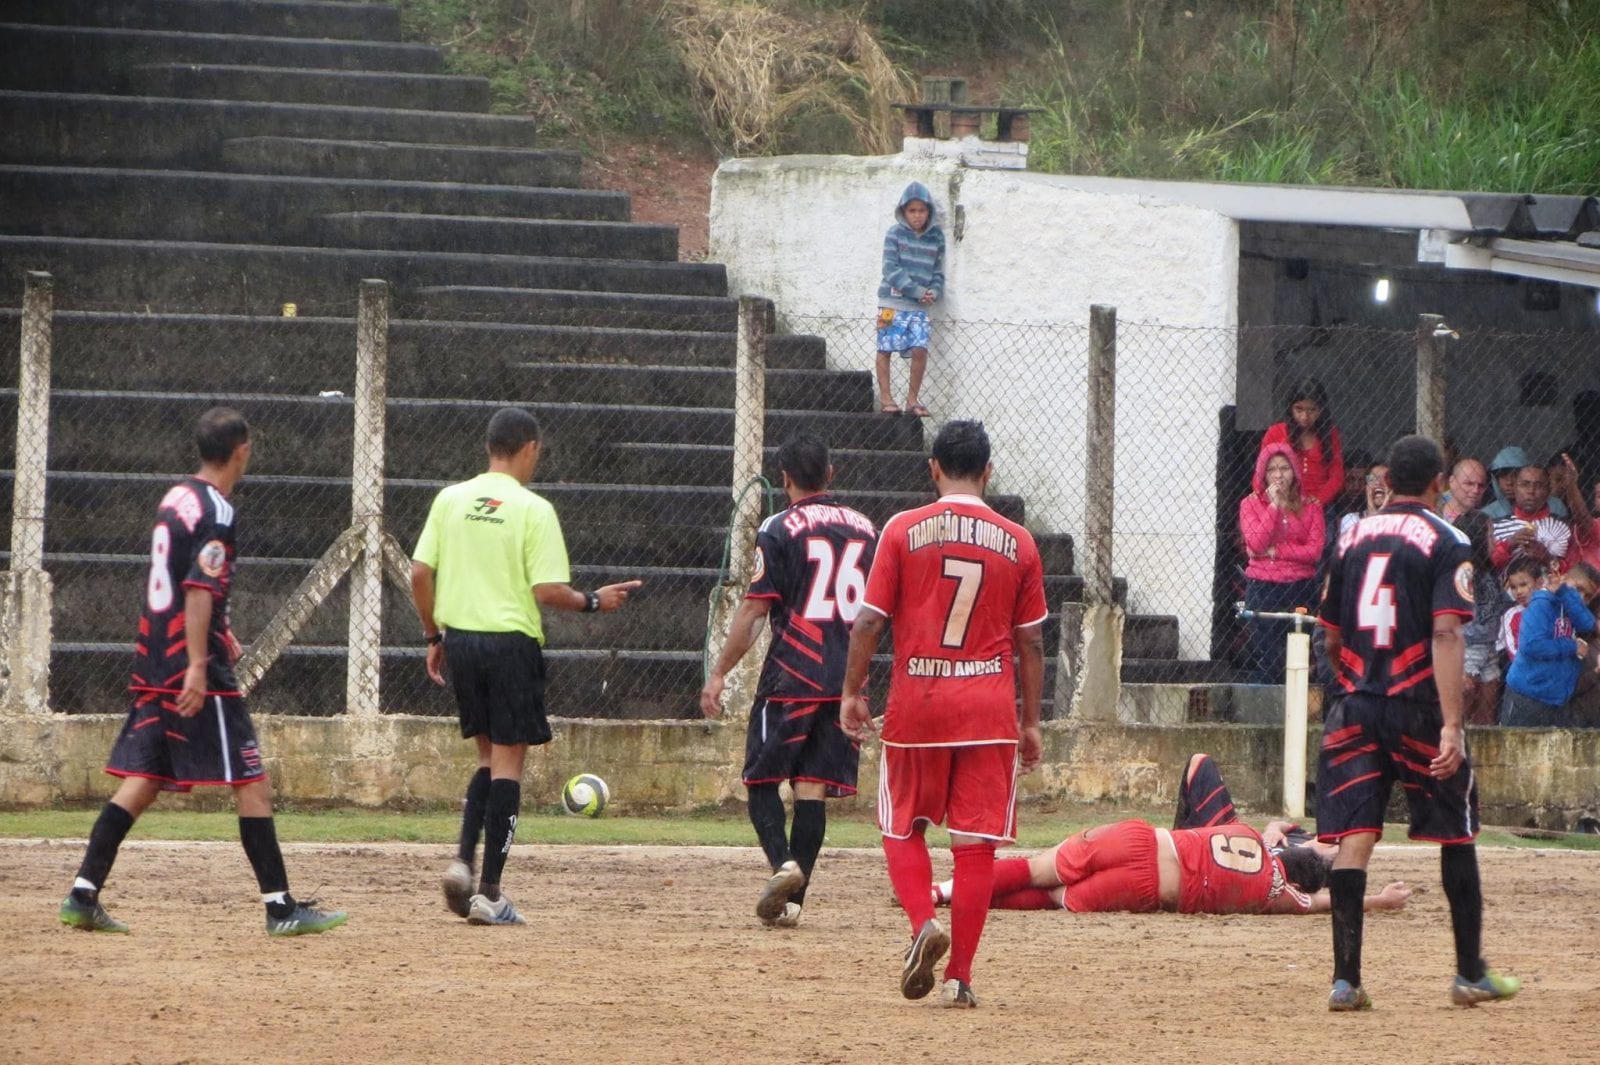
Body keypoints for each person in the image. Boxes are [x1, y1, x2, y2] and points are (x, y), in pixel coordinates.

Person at [58, 407, 347, 937]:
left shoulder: (177, 497)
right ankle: (281, 908)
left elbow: (179, 577)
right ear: (243, 450)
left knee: (144, 780)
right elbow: (196, 586)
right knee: (251, 779)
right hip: (196, 669)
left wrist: (220, 627)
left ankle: (82, 894)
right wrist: (197, 662)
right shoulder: (217, 510)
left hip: (153, 657)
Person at [841, 419, 1047, 1010]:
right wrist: (1031, 722)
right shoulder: (1020, 542)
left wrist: (852, 691)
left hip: (920, 703)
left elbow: (869, 621)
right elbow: (1032, 641)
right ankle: (960, 977)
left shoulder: (902, 529)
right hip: (989, 709)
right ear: (988, 471)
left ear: (933, 468)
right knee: (975, 844)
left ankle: (922, 924)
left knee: (901, 825)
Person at [412, 407, 641, 926]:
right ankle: (490, 894)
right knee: (508, 767)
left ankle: (461, 861)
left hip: (461, 640)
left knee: (486, 758)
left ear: (489, 446)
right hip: (511, 643)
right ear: (531, 448)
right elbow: (547, 591)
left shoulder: (450, 499)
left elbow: (420, 572)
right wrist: (594, 601)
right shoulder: (533, 509)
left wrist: (433, 634)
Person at [1317, 434, 1519, 1011]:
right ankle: (1469, 974)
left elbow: (1330, 635)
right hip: (1419, 706)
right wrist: (1452, 724)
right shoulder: (1448, 539)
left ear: (1387, 481)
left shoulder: (1351, 535)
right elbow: (1447, 633)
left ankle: (1346, 982)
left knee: (1354, 838)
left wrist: (1355, 681)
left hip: (1356, 704)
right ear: (1439, 483)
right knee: (1456, 830)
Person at [700, 434, 878, 928]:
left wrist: (719, 672)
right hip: (846, 680)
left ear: (784, 478)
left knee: (761, 779)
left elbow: (755, 611)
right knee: (812, 789)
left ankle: (783, 866)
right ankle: (794, 903)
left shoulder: (778, 528)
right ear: (831, 473)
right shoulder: (868, 529)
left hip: (793, 674)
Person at [935, 752, 1411, 916]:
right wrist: (1381, 900)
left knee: (1035, 869)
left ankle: (940, 892)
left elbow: (1271, 839)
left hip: (1143, 839)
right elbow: (1327, 903)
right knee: (1049, 897)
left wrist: (1281, 831)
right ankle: (962, 902)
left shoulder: (1250, 835)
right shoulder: (1277, 893)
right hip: (1149, 887)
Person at [1239, 442, 1326, 682]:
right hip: (1263, 586)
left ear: (1294, 472)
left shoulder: (1311, 506)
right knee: (1269, 657)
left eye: (1285, 468)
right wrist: (1274, 506)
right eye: (1272, 469)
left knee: (1298, 655)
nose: (1278, 475)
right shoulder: (1250, 504)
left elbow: (1314, 551)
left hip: (1300, 586)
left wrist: (1276, 551)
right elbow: (1257, 544)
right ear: (1263, 474)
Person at [874, 181, 945, 417]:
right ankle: (886, 398)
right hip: (891, 303)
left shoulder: (936, 237)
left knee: (920, 349)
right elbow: (890, 269)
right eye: (912, 210)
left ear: (928, 212)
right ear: (904, 211)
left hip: (919, 307)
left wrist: (934, 292)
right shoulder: (894, 234)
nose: (917, 215)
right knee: (885, 348)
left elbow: (938, 271)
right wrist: (916, 290)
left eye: (921, 210)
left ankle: (912, 400)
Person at [1499, 562, 1599, 728]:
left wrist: (1567, 596)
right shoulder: (1541, 603)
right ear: (1564, 579)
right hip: (1527, 693)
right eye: (1578, 588)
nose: (1581, 597)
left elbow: (1588, 624)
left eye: (1587, 596)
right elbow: (1533, 646)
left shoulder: (1573, 609)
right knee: (1516, 742)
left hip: (1554, 698)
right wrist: (1572, 647)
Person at [1454, 508, 1505, 725]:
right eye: (1491, 535)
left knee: (1488, 708)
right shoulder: (1462, 573)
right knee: (1464, 702)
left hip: (1489, 645)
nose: (1495, 540)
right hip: (1468, 646)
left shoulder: (1489, 571)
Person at [1260, 377, 1344, 507]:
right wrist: (1272, 498)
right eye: (1299, 409)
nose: (1305, 416)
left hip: (1319, 505)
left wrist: (1318, 500)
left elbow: (1337, 476)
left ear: (1321, 409)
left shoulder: (1330, 434)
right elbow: (1260, 471)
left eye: (1312, 410)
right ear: (1290, 409)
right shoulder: (1276, 432)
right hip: (1282, 503)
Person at [1488, 464, 1569, 578]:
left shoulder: (1562, 527)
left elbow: (1571, 571)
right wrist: (1509, 543)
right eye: (1525, 484)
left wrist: (1546, 557)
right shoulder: (1496, 526)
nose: (1531, 491)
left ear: (1548, 490)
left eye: (1539, 485)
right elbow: (1488, 566)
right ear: (1514, 488)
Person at [1496, 557, 1542, 670]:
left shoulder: (1551, 607)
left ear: (1539, 583)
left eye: (1523, 585)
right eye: (1513, 587)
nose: (1518, 592)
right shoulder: (1511, 615)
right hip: (1523, 668)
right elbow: (1512, 649)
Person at [1337, 462, 1388, 537]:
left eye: (1385, 479)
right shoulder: (1351, 520)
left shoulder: (1401, 520)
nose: (1378, 483)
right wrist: (1372, 515)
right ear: (1366, 485)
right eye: (1373, 479)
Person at [1480, 446, 1531, 520]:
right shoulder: (1486, 515)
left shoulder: (1546, 509)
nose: (1509, 482)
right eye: (1503, 475)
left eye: (1515, 475)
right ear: (1496, 480)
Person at [1440, 457, 1489, 524]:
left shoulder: (1485, 521)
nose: (1476, 490)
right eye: (1469, 484)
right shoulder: (1432, 515)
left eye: (1481, 485)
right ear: (1452, 481)